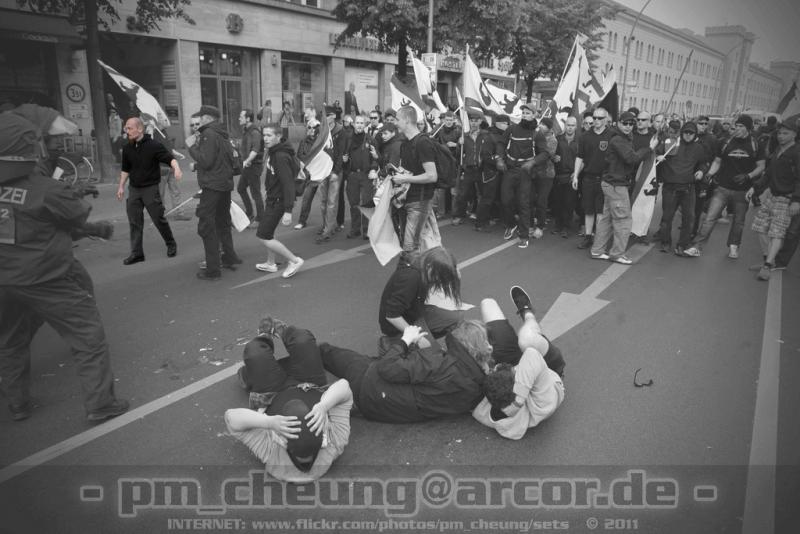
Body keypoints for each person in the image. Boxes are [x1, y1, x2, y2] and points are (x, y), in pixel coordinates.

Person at [0, 111, 129, 422]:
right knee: (89, 338)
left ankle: (17, 404)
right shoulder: (45, 188)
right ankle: (100, 404)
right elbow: (74, 219)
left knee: (10, 341)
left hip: (6, 280)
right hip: (47, 278)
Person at [225, 317, 352, 482]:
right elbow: (344, 386)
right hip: (310, 384)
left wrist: (269, 423)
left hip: (272, 393)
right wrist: (323, 406)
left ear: (283, 442)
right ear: (323, 437)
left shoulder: (274, 456)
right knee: (303, 340)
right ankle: (282, 331)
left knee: (255, 353)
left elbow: (231, 418)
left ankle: (264, 335)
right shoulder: (334, 443)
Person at [319, 320, 489, 423]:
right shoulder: (479, 386)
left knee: (327, 352)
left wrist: (406, 339)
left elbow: (387, 368)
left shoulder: (440, 364)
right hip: (393, 412)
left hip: (370, 386)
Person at [472, 286, 565, 439]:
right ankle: (527, 313)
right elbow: (531, 355)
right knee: (527, 340)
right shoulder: (543, 402)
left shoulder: (482, 412)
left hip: (510, 382)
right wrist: (517, 402)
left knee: (487, 303)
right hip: (547, 370)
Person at [683, 115, 766, 259]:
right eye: (737, 126)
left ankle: (734, 247)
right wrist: (709, 174)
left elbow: (761, 166)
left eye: (741, 127)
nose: (738, 129)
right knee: (709, 218)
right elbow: (717, 161)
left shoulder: (755, 144)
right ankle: (697, 246)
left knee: (739, 222)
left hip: (743, 190)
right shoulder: (726, 142)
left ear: (748, 128)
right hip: (722, 187)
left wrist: (748, 176)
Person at [590, 111, 657, 264]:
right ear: (619, 123)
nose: (628, 126)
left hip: (612, 183)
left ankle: (597, 250)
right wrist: (649, 148)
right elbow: (631, 158)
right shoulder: (618, 139)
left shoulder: (622, 138)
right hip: (616, 184)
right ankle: (617, 254)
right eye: (625, 123)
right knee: (623, 220)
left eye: (631, 124)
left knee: (607, 219)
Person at [187, 106, 243, 280]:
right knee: (223, 223)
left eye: (201, 118)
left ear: (206, 118)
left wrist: (191, 148)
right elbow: (225, 161)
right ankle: (229, 257)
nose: (198, 123)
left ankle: (213, 269)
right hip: (225, 185)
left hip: (212, 186)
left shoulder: (208, 134)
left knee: (206, 226)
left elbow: (207, 160)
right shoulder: (223, 134)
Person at [116, 117, 180, 265]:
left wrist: (176, 168)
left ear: (140, 129)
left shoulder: (153, 145)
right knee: (134, 222)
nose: (126, 131)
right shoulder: (127, 148)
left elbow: (169, 158)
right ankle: (137, 253)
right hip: (134, 190)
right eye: (126, 128)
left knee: (159, 219)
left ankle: (171, 244)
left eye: (129, 128)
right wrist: (121, 186)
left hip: (150, 189)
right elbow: (125, 169)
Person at [747, 121, 800, 280]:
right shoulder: (778, 150)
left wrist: (797, 200)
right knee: (760, 227)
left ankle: (768, 265)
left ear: (794, 135)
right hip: (772, 196)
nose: (781, 136)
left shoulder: (797, 152)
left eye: (786, 133)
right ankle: (767, 259)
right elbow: (769, 174)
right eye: (780, 133)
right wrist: (755, 188)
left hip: (787, 198)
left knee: (777, 233)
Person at [254, 123, 304, 278]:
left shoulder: (280, 156)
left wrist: (288, 210)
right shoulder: (275, 151)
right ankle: (270, 263)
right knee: (269, 232)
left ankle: (294, 260)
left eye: (269, 135)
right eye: (264, 135)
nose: (265, 138)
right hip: (272, 198)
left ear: (278, 136)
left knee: (263, 235)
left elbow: (288, 184)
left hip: (278, 201)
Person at [655, 121, 709, 256]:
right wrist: (658, 156)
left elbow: (704, 163)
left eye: (691, 133)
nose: (688, 135)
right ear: (682, 132)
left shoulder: (699, 148)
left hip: (688, 188)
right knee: (667, 217)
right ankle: (665, 242)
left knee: (689, 218)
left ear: (695, 134)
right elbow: (655, 153)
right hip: (670, 187)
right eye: (686, 132)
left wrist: (702, 171)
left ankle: (682, 245)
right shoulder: (671, 142)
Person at [393, 105, 440, 253]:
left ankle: (414, 273)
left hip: (419, 201)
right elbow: (408, 171)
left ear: (407, 120)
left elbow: (432, 176)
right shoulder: (405, 144)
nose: (395, 123)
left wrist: (405, 178)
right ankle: (419, 272)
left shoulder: (422, 142)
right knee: (408, 243)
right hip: (404, 200)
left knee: (410, 246)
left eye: (397, 119)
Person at [572, 107, 616, 250]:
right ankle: (588, 236)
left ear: (606, 119)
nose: (596, 121)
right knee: (589, 209)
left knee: (601, 211)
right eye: (594, 118)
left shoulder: (612, 135)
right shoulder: (585, 136)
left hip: (605, 179)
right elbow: (580, 157)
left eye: (600, 118)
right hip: (589, 178)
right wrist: (576, 175)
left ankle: (600, 237)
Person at [500, 104, 539, 248]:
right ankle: (511, 225)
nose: (524, 115)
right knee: (505, 200)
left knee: (524, 204)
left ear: (534, 115)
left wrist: (533, 162)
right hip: (510, 170)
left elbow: (545, 153)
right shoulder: (512, 129)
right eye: (523, 112)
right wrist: (499, 159)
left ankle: (524, 235)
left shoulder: (537, 133)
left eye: (528, 113)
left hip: (525, 172)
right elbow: (501, 143)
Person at [343, 114, 378, 239]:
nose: (359, 125)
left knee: (367, 203)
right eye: (357, 123)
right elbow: (343, 155)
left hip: (366, 175)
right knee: (354, 204)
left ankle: (367, 230)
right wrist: (345, 160)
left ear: (365, 125)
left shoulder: (370, 140)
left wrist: (373, 169)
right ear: (354, 124)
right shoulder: (348, 139)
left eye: (362, 123)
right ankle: (355, 229)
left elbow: (375, 158)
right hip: (352, 175)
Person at [529, 117, 557, 239]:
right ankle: (530, 224)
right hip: (533, 173)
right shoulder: (535, 136)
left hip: (547, 174)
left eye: (544, 125)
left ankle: (540, 226)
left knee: (541, 201)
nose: (540, 126)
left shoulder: (552, 140)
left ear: (549, 128)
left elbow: (546, 155)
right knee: (529, 199)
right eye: (540, 124)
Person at [552, 116, 579, 237]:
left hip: (572, 176)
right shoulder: (558, 139)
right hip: (559, 175)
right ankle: (558, 225)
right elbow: (551, 155)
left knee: (569, 203)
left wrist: (577, 173)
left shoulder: (580, 141)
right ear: (565, 125)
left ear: (576, 127)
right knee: (558, 202)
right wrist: (554, 158)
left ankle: (566, 227)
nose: (570, 127)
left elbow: (583, 158)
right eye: (568, 125)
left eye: (572, 125)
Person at [237, 109, 265, 228]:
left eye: (241, 116)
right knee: (241, 188)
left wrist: (247, 161)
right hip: (248, 166)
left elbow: (255, 149)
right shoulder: (246, 130)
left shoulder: (255, 132)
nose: (239, 118)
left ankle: (260, 219)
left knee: (256, 193)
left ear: (248, 118)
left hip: (254, 166)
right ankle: (250, 213)